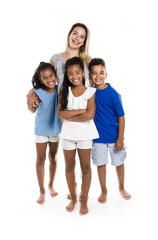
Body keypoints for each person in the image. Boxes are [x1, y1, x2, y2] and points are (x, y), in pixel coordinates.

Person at [57, 57, 99, 215]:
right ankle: (73, 198)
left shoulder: (90, 92)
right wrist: (79, 111)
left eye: (77, 72)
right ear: (66, 75)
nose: (74, 76)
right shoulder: (64, 91)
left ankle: (84, 199)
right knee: (69, 166)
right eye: (70, 73)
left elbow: (89, 115)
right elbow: (60, 113)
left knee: (86, 167)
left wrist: (70, 115)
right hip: (68, 135)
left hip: (85, 135)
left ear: (83, 72)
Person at [88, 58, 131, 204]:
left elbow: (121, 117)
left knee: (119, 163)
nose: (98, 76)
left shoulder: (113, 94)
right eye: (94, 73)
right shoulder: (90, 93)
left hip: (114, 137)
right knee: (100, 164)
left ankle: (121, 187)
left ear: (106, 74)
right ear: (90, 76)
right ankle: (103, 190)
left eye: (101, 73)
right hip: (98, 138)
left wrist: (120, 138)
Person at [27, 62, 61, 204]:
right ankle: (42, 191)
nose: (49, 80)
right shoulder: (37, 92)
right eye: (45, 78)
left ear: (56, 75)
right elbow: (31, 109)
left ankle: (51, 185)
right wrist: (31, 102)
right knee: (40, 159)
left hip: (55, 129)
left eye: (51, 76)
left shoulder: (60, 89)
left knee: (53, 157)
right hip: (41, 130)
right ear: (41, 80)